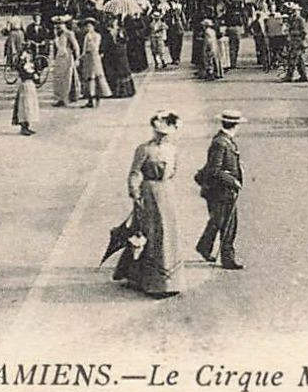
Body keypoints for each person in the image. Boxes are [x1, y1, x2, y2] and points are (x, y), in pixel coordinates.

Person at [124, 112, 184, 298]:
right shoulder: (143, 149)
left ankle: (169, 280)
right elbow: (134, 172)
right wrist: (135, 193)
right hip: (149, 192)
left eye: (165, 134)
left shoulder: (173, 149)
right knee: (150, 232)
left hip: (166, 192)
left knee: (168, 232)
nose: (162, 136)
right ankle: (149, 280)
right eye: (159, 133)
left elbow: (174, 170)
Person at [194, 110, 245, 270]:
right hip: (221, 191)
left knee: (218, 221)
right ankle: (227, 259)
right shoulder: (221, 143)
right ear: (235, 125)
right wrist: (233, 181)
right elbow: (214, 169)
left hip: (221, 190)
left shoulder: (224, 140)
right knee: (228, 225)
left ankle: (204, 247)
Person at [77, 18, 109, 106]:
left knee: (95, 76)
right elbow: (84, 47)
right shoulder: (86, 36)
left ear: (93, 27)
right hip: (88, 57)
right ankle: (90, 99)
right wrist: (82, 56)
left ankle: (97, 98)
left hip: (94, 56)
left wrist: (91, 42)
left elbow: (96, 47)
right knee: (88, 77)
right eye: (87, 26)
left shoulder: (97, 35)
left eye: (90, 26)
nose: (88, 28)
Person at [48, 15, 79, 105]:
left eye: (60, 24)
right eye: (56, 24)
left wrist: (77, 58)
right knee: (58, 78)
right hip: (59, 58)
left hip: (67, 57)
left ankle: (66, 98)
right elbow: (55, 48)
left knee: (67, 77)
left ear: (64, 24)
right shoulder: (56, 35)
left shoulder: (69, 33)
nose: (58, 26)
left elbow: (76, 46)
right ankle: (60, 98)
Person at [102, 20, 137, 98]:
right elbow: (106, 44)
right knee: (116, 71)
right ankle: (118, 92)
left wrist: (120, 37)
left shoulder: (121, 31)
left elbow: (125, 40)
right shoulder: (108, 33)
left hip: (121, 53)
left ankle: (126, 91)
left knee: (123, 71)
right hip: (113, 54)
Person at [11, 47, 41, 136]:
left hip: (31, 86)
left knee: (30, 106)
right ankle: (23, 126)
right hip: (25, 86)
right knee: (24, 106)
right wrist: (33, 75)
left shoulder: (31, 65)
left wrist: (36, 76)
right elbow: (23, 73)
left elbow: (37, 77)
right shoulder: (22, 66)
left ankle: (27, 125)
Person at [281, 4, 308, 82]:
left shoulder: (300, 20)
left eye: (295, 10)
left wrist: (300, 39)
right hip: (293, 41)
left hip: (298, 41)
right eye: (292, 10)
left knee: (292, 59)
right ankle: (303, 76)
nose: (293, 12)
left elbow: (304, 31)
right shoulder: (292, 19)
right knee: (298, 60)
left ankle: (289, 76)